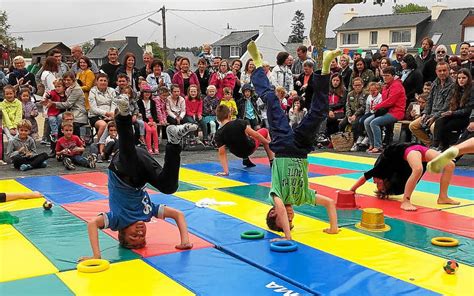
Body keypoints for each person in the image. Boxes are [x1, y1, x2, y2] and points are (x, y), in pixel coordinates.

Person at [80, 100, 196, 260]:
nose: (140, 233)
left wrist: (96, 256)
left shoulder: (117, 220)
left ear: (121, 232)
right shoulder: (148, 213)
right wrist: (185, 241)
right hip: (142, 168)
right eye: (142, 237)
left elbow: (92, 224)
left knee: (129, 162)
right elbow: (178, 215)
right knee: (169, 187)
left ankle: (123, 115)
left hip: (121, 169)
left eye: (134, 237)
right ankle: (174, 141)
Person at [246, 41, 339, 239]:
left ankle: (257, 62)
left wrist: (287, 236)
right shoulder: (303, 197)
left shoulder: (276, 196)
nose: (289, 216)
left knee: (271, 100)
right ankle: (324, 70)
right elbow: (330, 203)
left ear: (273, 212)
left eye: (284, 219)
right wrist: (333, 227)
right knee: (319, 112)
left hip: (281, 145)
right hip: (302, 147)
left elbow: (280, 208)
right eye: (290, 220)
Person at [350, 143, 460, 211]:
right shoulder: (385, 172)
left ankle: (443, 197)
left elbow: (363, 178)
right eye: (378, 184)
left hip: (414, 147)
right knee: (418, 169)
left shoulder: (379, 168)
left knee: (450, 165)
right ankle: (406, 201)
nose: (374, 181)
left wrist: (351, 190)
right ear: (386, 182)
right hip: (412, 151)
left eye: (375, 182)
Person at [214, 104, 274, 174]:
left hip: (237, 153)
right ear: (229, 115)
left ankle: (245, 158)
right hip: (249, 148)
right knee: (265, 131)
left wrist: (226, 171)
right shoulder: (239, 122)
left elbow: (222, 153)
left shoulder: (218, 133)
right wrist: (268, 143)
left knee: (239, 137)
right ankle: (272, 160)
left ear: (218, 119)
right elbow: (256, 135)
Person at [409, 62, 454, 146]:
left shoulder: (453, 85)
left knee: (434, 127)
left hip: (444, 115)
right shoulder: (435, 83)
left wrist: (434, 117)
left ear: (448, 71)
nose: (442, 73)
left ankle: (441, 146)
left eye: (444, 70)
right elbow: (429, 100)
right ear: (436, 71)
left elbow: (447, 106)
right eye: (440, 71)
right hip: (431, 113)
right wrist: (425, 113)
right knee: (413, 126)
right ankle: (430, 144)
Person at [432, 69, 473, 151]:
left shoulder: (472, 90)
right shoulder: (457, 89)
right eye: (459, 78)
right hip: (456, 114)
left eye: (463, 78)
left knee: (447, 126)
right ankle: (436, 145)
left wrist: (452, 113)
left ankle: (443, 147)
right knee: (440, 121)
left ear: (468, 78)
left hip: (467, 117)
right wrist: (449, 112)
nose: (461, 80)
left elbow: (468, 110)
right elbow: (453, 104)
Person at [138, 85, 159, 155]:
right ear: (142, 93)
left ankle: (156, 148)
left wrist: (154, 121)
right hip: (143, 119)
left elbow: (154, 113)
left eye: (149, 92)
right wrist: (148, 122)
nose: (147, 94)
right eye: (145, 92)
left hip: (151, 119)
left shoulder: (152, 102)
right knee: (149, 130)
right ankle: (149, 148)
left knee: (154, 130)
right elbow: (141, 113)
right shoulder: (139, 102)